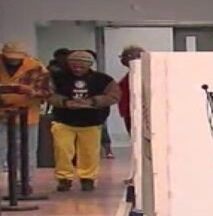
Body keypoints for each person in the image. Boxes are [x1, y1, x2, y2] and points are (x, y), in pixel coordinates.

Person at [49, 51, 121, 192]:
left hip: (92, 121)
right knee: (62, 150)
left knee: (89, 152)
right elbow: (48, 93)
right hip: (63, 120)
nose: (78, 69)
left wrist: (94, 101)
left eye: (82, 67)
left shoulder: (103, 80)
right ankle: (64, 178)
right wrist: (65, 102)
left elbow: (114, 96)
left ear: (89, 65)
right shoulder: (57, 78)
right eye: (74, 66)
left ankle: (87, 178)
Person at [0, 42, 51, 189]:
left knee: (26, 151)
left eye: (17, 58)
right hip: (2, 114)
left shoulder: (36, 67)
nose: (13, 61)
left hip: (27, 115)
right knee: (1, 149)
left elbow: (47, 92)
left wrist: (32, 92)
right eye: (9, 58)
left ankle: (25, 183)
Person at [118, 45, 144, 135]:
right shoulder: (131, 74)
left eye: (125, 56)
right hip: (130, 112)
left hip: (142, 112)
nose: (122, 60)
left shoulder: (147, 74)